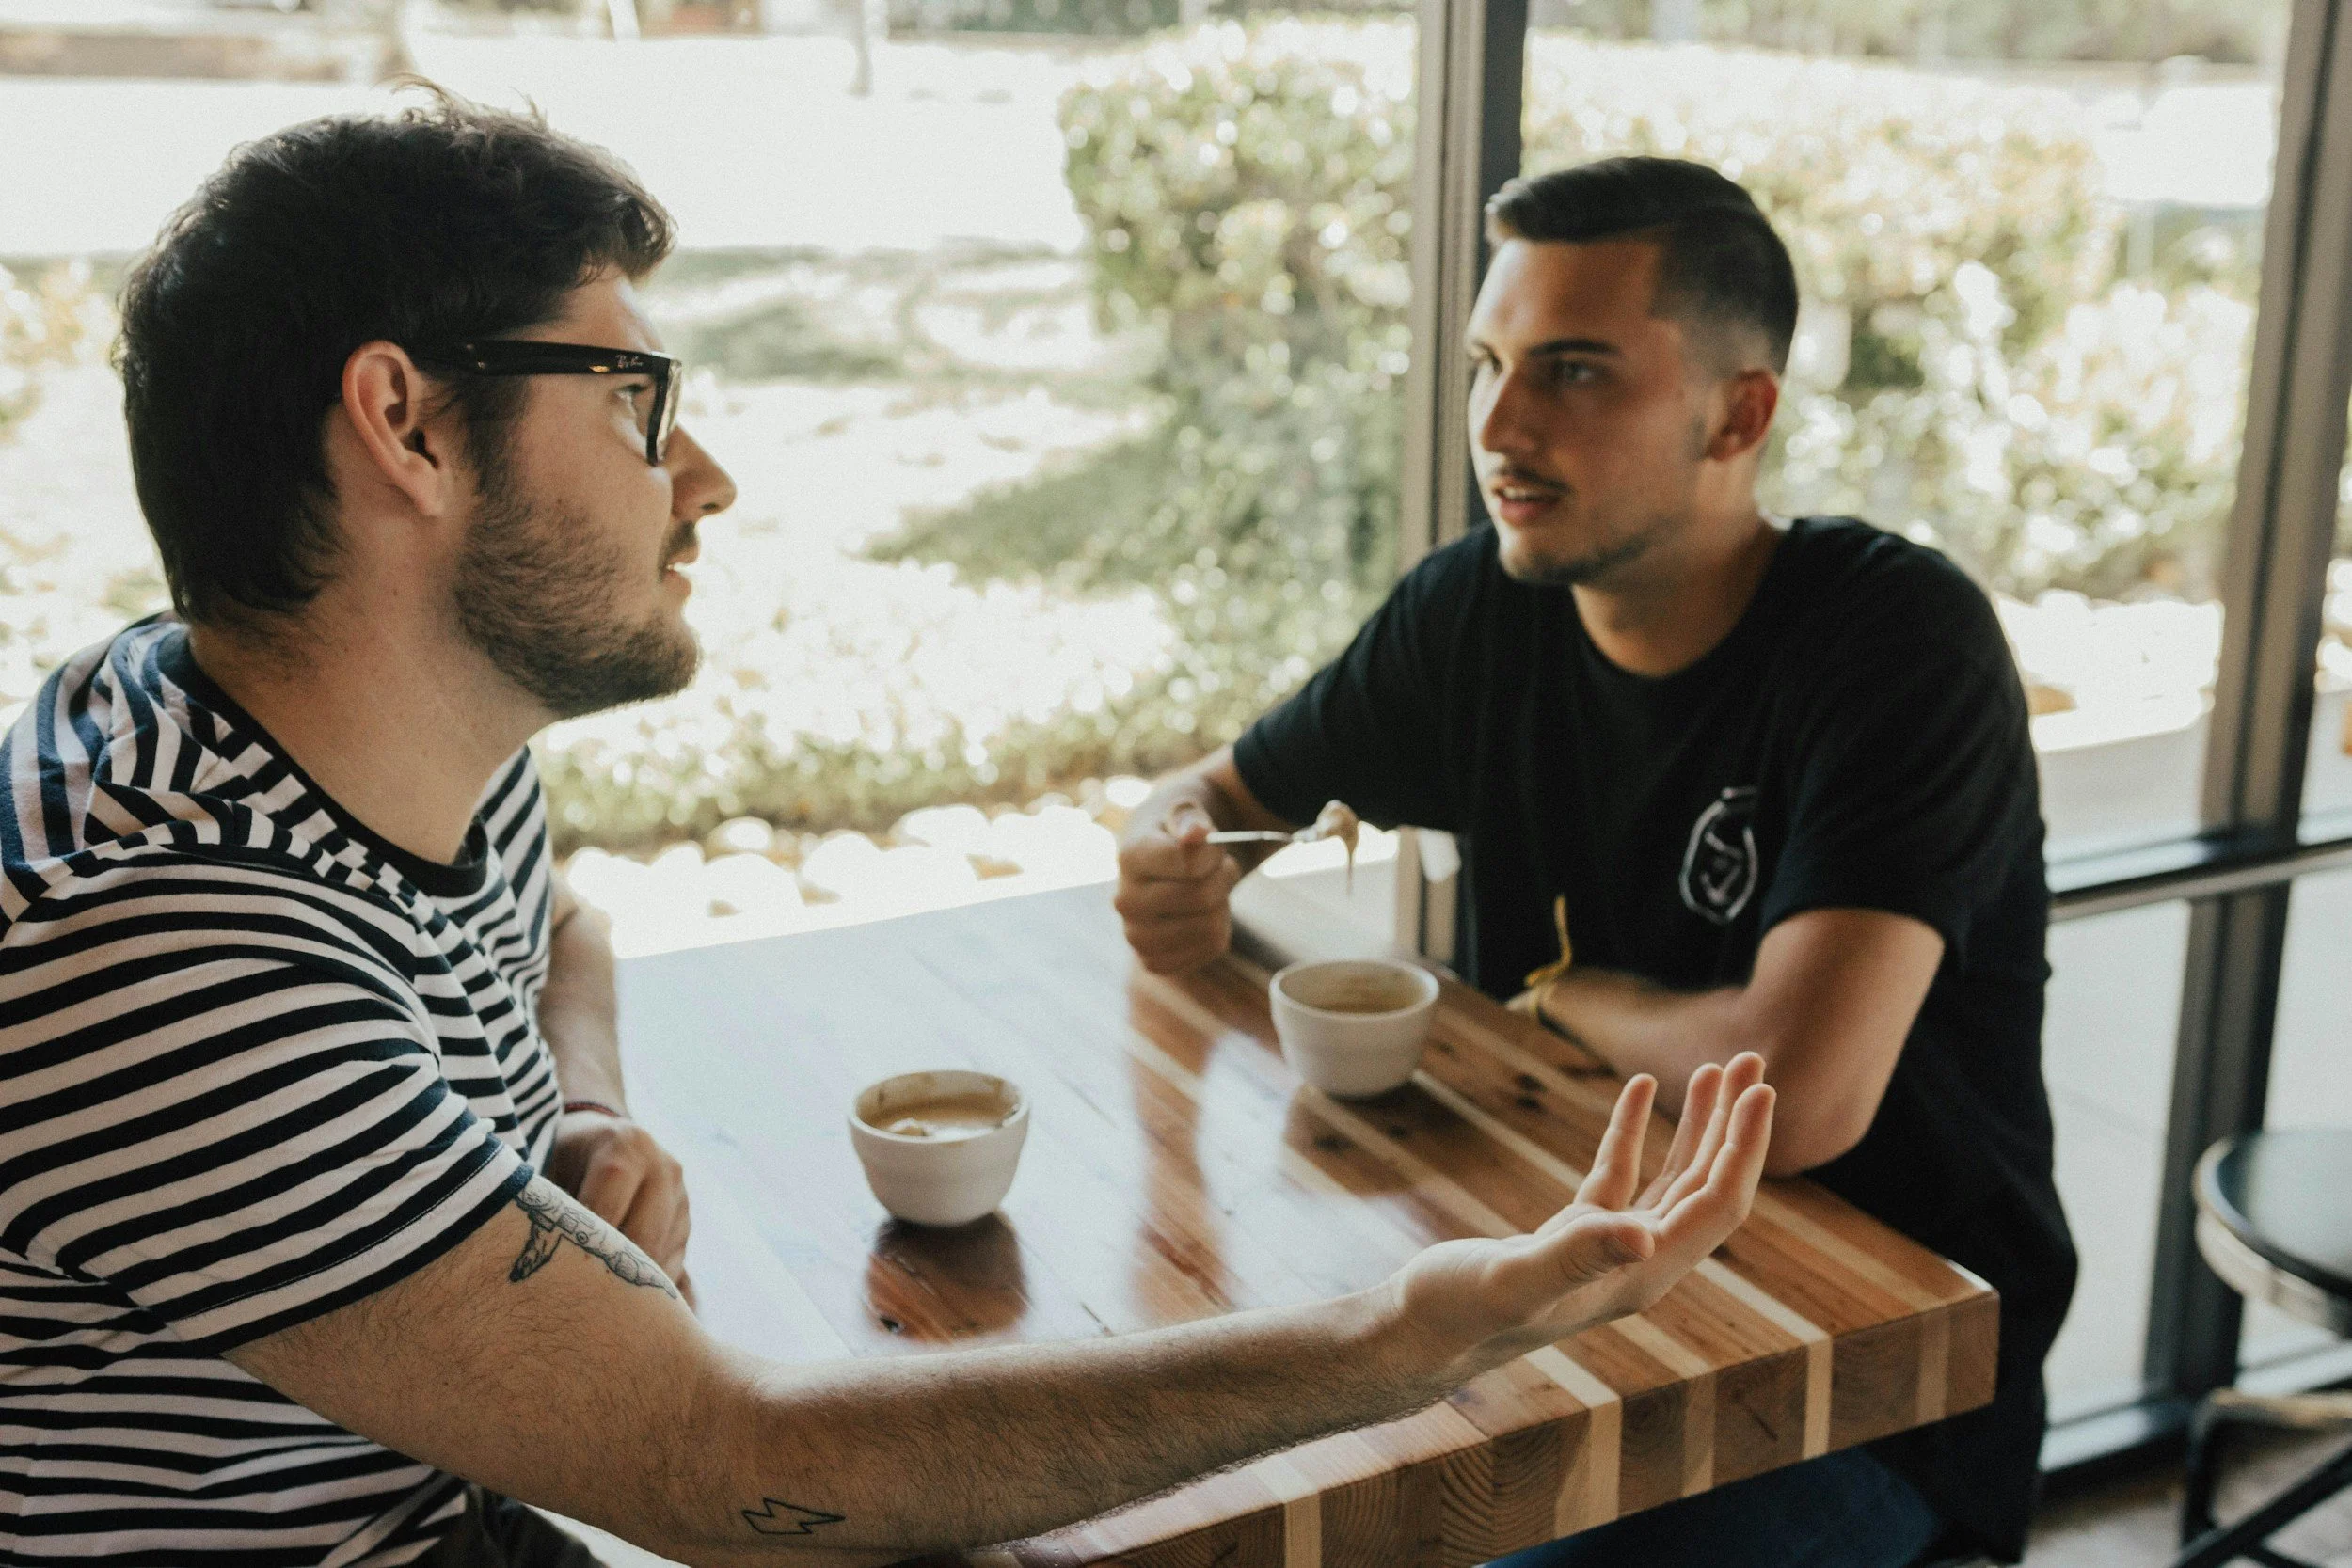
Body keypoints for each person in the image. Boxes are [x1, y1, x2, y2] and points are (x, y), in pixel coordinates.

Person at [0, 98, 1778, 1568]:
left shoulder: (271, 714)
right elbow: (723, 1461)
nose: (700, 479)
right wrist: (1408, 1338)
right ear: (405, 427)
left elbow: (557, 926)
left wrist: (587, 1102)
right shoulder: (158, 950)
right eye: (636, 400)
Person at [1114, 156, 2078, 1567]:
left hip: (1856, 1394)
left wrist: (1564, 994)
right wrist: (1167, 855)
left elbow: (1794, 1096)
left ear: (1737, 413)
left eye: (1573, 371)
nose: (1499, 423)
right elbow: (1213, 797)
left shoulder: (1896, 643)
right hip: (1562, 1304)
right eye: (1487, 364)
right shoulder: (1477, 614)